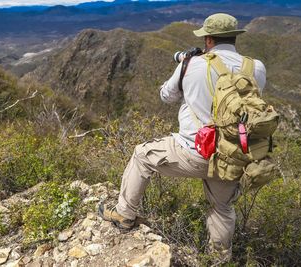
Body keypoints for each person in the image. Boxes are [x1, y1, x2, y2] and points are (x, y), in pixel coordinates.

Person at [98, 13, 266, 261]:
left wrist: (185, 63)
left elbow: (167, 96)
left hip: (193, 151)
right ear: (234, 38)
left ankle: (124, 214)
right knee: (222, 207)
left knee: (142, 155)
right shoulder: (256, 68)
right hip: (232, 155)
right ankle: (218, 259)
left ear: (208, 39)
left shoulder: (191, 64)